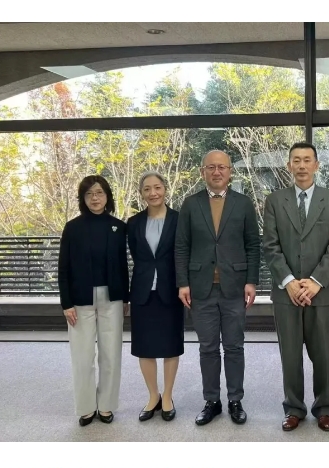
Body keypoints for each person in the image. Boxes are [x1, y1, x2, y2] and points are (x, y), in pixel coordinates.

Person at [263, 142, 329, 432]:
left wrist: (315, 281)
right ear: (289, 166)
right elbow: (270, 245)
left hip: (322, 293)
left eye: (307, 160)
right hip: (286, 293)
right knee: (290, 355)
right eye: (296, 160)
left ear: (316, 165)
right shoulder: (274, 201)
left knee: (323, 355)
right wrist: (288, 281)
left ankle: (324, 408)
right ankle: (294, 408)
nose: (301, 165)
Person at [175, 150, 260, 426]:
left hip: (234, 287)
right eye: (210, 167)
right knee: (208, 348)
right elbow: (182, 246)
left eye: (222, 167)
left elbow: (253, 244)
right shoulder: (190, 204)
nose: (216, 172)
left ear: (230, 172)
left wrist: (251, 280)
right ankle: (212, 400)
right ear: (203, 172)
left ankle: (235, 400)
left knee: (234, 347)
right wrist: (183, 283)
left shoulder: (243, 203)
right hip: (201, 288)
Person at [58, 175, 129, 426]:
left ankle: (106, 406)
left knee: (111, 354)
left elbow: (123, 265)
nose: (94, 198)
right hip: (80, 299)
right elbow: (63, 267)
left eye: (99, 193)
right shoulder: (72, 227)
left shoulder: (118, 227)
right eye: (89, 194)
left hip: (112, 298)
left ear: (107, 196)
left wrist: (125, 298)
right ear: (83, 198)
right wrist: (66, 303)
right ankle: (86, 408)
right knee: (82, 356)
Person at [127, 172, 184, 422]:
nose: (153, 193)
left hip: (170, 289)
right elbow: (136, 255)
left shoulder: (179, 220)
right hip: (142, 291)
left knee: (171, 345)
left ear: (165, 189)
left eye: (157, 187)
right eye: (147, 189)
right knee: (145, 347)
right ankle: (153, 396)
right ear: (141, 193)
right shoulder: (133, 223)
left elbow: (183, 254)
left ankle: (168, 396)